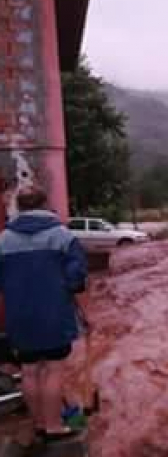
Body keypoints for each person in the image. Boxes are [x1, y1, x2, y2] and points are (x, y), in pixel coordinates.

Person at [0, 186, 88, 440]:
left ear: (20, 206)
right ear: (44, 203)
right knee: (54, 369)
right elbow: (77, 276)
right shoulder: (62, 236)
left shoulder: (4, 239)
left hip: (19, 316)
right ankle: (53, 426)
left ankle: (38, 423)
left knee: (28, 371)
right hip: (54, 314)